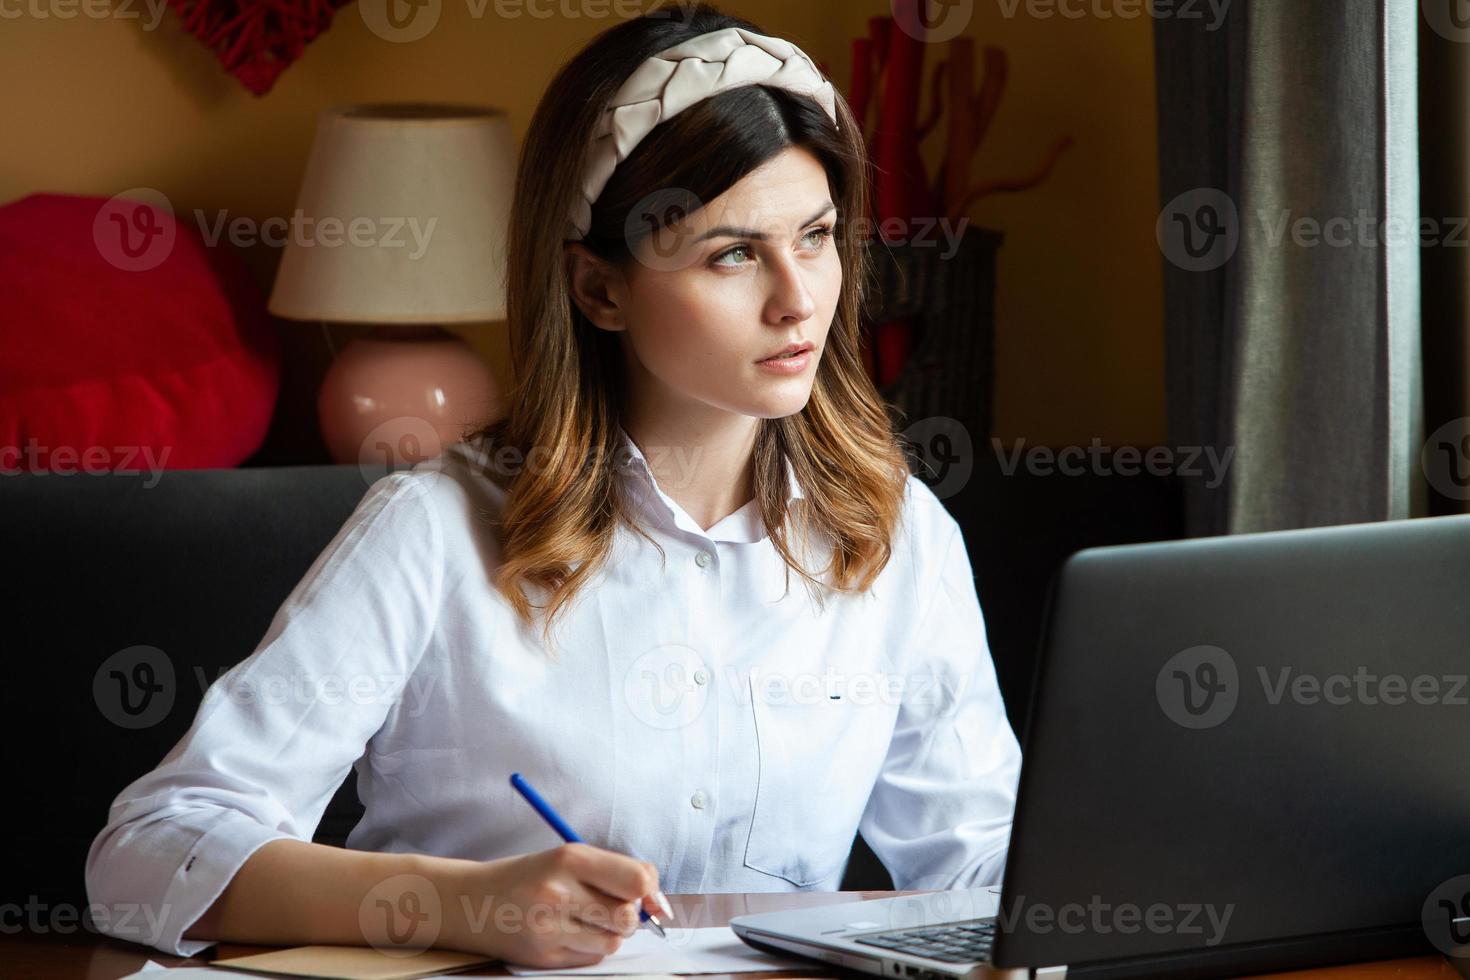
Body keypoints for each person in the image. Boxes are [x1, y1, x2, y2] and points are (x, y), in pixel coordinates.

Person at [83, 1, 1021, 968]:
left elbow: (993, 875)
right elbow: (147, 857)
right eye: (733, 252)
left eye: (817, 235)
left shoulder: (899, 533)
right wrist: (467, 903)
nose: (798, 298)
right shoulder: (437, 529)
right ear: (598, 289)